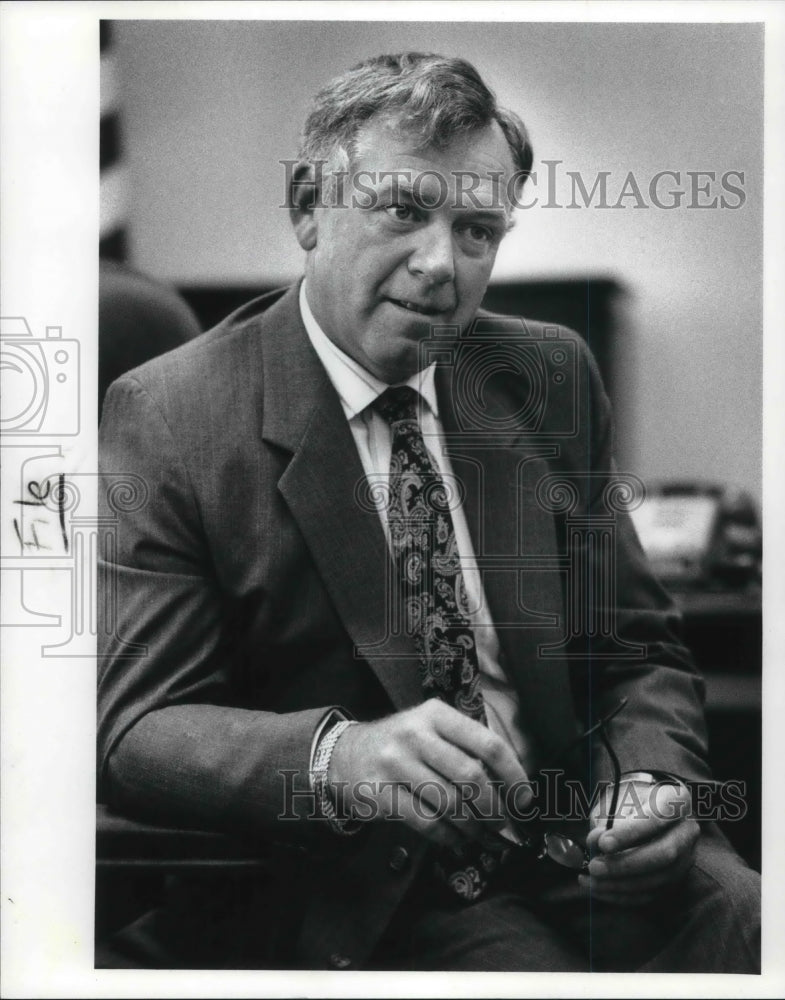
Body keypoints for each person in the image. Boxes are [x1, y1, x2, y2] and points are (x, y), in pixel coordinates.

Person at [97, 52, 760, 972]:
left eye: (478, 229)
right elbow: (140, 729)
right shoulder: (171, 413)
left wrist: (649, 781)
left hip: (582, 837)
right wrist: (341, 759)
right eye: (403, 210)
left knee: (754, 925)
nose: (441, 264)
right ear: (306, 207)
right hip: (372, 878)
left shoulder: (547, 373)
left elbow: (635, 647)